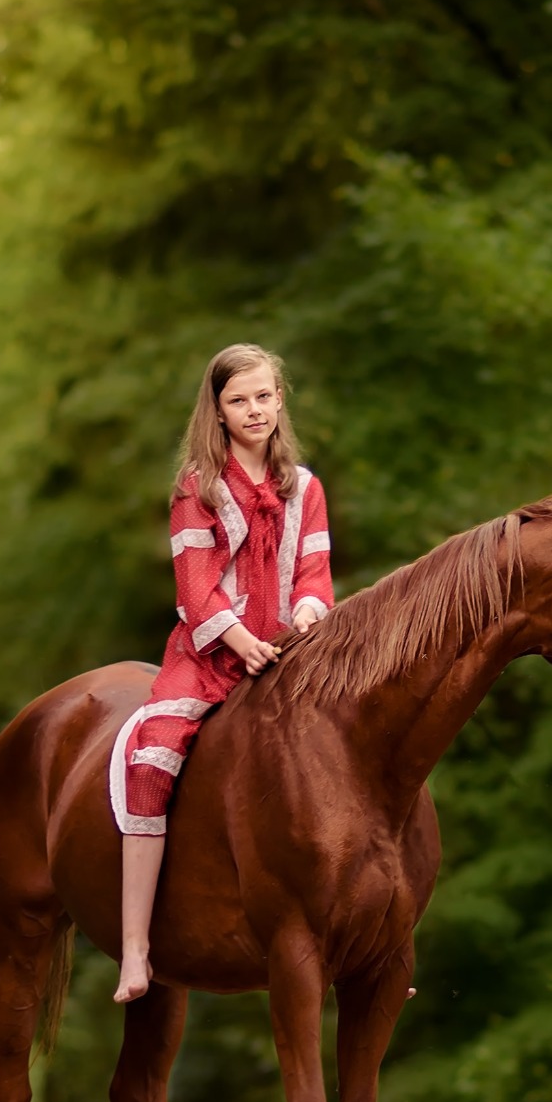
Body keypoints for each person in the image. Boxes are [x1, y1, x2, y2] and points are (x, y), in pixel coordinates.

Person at [110, 344, 334, 1002]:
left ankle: (362, 937)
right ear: (217, 412)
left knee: (347, 752)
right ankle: (134, 947)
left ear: (280, 400)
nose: (254, 410)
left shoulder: (306, 487)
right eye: (239, 400)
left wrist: (307, 616)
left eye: (264, 396)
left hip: (289, 655)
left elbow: (314, 572)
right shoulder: (197, 487)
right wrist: (241, 640)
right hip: (210, 656)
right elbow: (195, 588)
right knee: (152, 759)